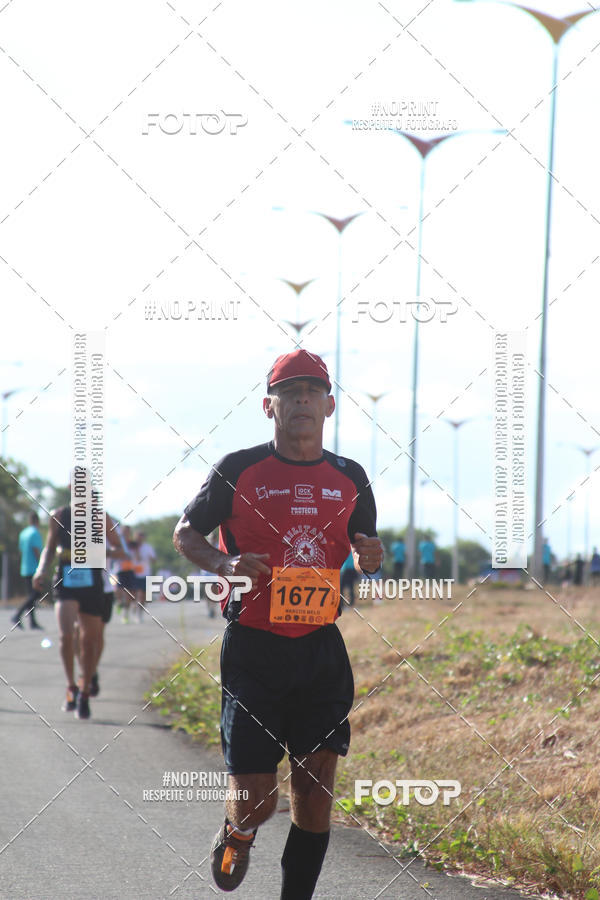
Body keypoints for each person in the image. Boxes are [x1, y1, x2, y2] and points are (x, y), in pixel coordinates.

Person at [173, 349, 384, 899]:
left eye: (313, 391)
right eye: (291, 393)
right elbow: (185, 533)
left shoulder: (350, 476)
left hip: (320, 648)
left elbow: (368, 548)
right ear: (271, 407)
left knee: (314, 797)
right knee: (259, 799)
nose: (303, 401)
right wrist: (221, 563)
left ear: (330, 405)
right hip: (255, 650)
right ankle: (238, 829)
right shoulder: (238, 469)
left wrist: (372, 555)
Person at [33, 498, 124, 718]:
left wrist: (100, 554)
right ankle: (71, 687)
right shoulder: (59, 515)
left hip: (93, 583)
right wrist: (41, 569)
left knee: (89, 640)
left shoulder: (100, 516)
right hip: (66, 582)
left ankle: (85, 691)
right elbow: (49, 547)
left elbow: (119, 550)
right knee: (66, 635)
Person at [12, 512, 44, 629]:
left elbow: (21, 551)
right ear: (37, 521)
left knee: (32, 594)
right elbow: (36, 550)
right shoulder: (35, 533)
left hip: (25, 567)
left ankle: (32, 622)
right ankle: (17, 615)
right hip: (35, 568)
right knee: (35, 594)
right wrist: (42, 567)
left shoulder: (23, 533)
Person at [133, 530, 156, 623]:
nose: (139, 539)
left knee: (144, 596)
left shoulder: (148, 547)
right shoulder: (131, 547)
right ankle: (134, 608)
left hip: (145, 573)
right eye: (137, 537)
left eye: (140, 537)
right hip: (133, 573)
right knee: (136, 594)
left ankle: (139, 613)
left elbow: (154, 560)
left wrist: (150, 558)